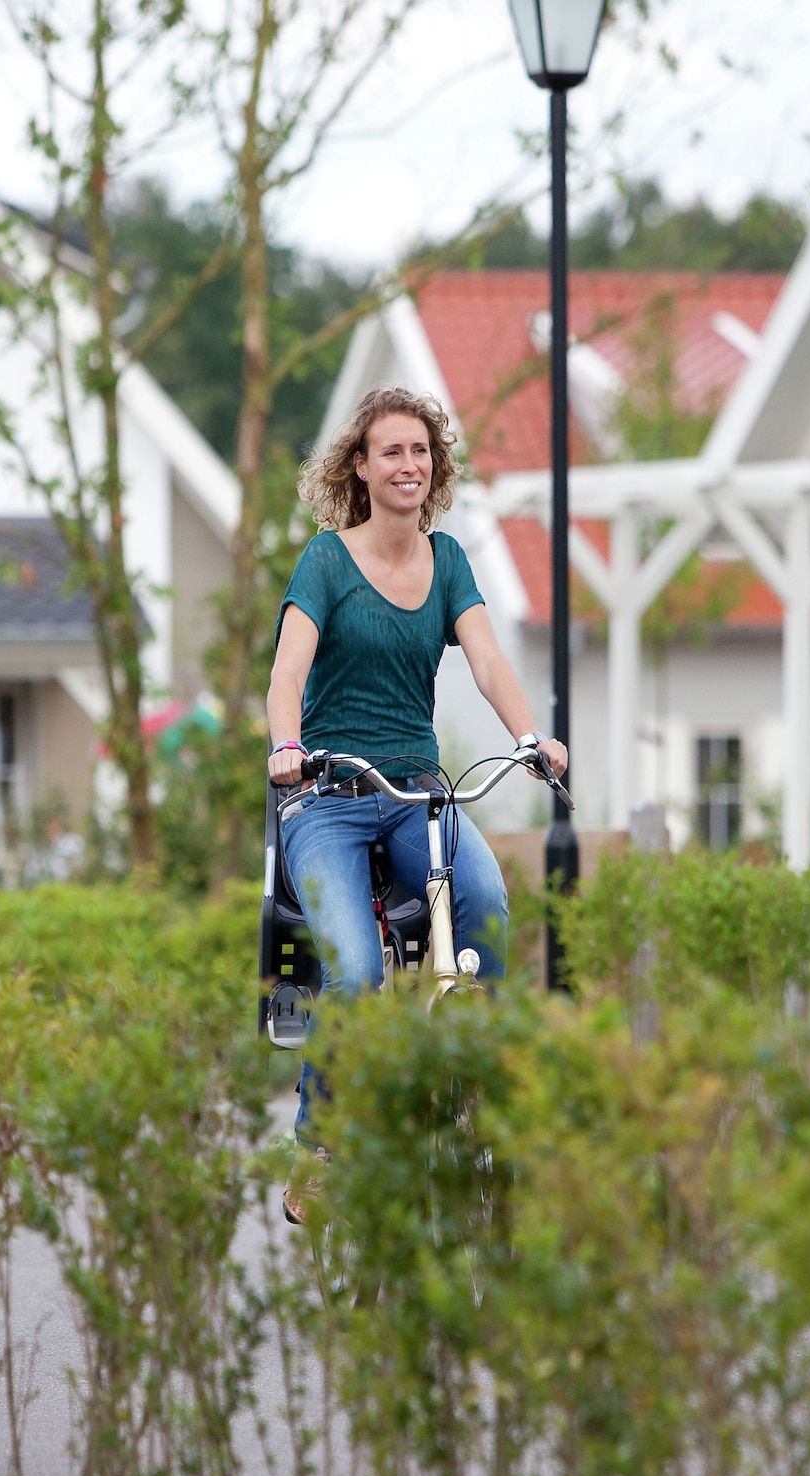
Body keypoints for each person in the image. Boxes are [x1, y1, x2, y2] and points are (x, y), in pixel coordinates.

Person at [268, 384, 567, 1222]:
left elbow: (488, 659)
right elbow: (288, 672)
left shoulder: (449, 561)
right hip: (326, 794)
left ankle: (483, 1095)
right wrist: (287, 747)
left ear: (434, 467)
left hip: (417, 794)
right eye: (391, 451)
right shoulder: (326, 560)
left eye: (420, 451)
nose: (408, 464)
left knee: (485, 904)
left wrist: (530, 734)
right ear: (359, 467)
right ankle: (319, 1147)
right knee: (357, 971)